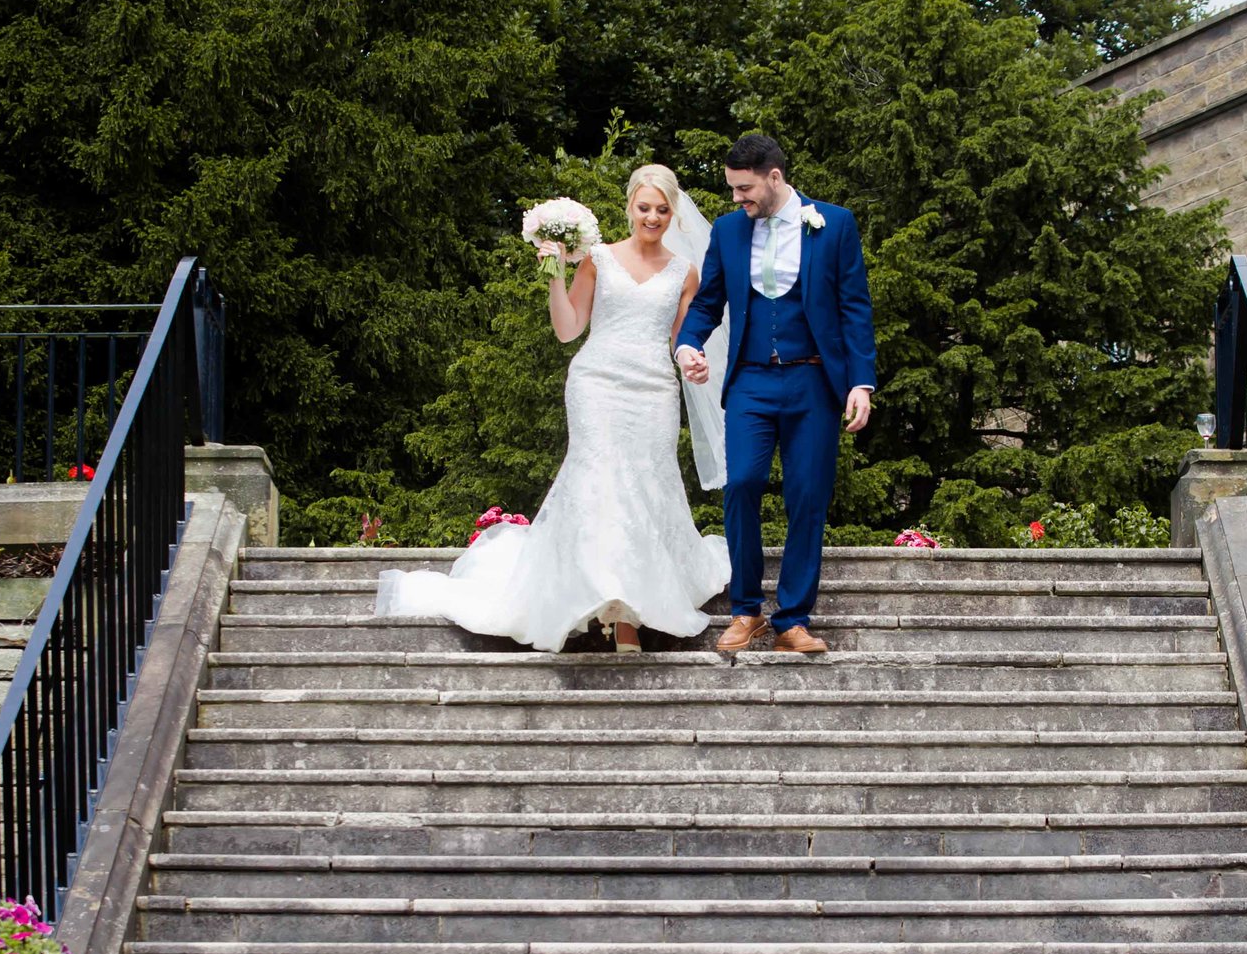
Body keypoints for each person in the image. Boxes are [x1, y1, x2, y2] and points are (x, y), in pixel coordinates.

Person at [374, 165, 728, 652]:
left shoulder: (683, 272)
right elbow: (568, 330)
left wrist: (694, 363)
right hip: (597, 384)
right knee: (601, 482)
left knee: (646, 486)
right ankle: (613, 608)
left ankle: (629, 604)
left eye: (662, 209)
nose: (653, 217)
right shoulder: (598, 260)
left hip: (653, 393)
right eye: (644, 207)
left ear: (673, 213)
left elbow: (682, 342)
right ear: (630, 207)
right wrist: (556, 275)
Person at [675, 133, 877, 656]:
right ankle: (746, 611)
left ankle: (793, 619)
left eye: (744, 190)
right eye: (732, 190)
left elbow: (855, 308)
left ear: (775, 177)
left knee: (807, 495)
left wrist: (860, 381)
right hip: (750, 380)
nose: (737, 200)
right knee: (740, 482)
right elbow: (707, 303)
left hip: (813, 381)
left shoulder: (834, 224)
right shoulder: (727, 231)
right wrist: (687, 346)